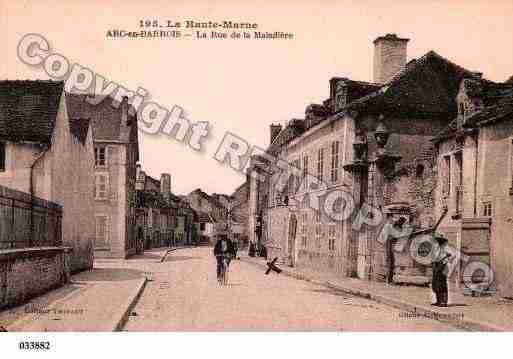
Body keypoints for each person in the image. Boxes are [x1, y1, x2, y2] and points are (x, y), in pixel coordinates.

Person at [431, 232, 452, 307]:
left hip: (443, 266)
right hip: (436, 265)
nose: (437, 241)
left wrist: (444, 262)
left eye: (438, 240)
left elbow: (450, 255)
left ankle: (444, 301)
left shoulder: (445, 247)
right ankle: (438, 300)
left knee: (442, 283)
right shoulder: (435, 247)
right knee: (436, 283)